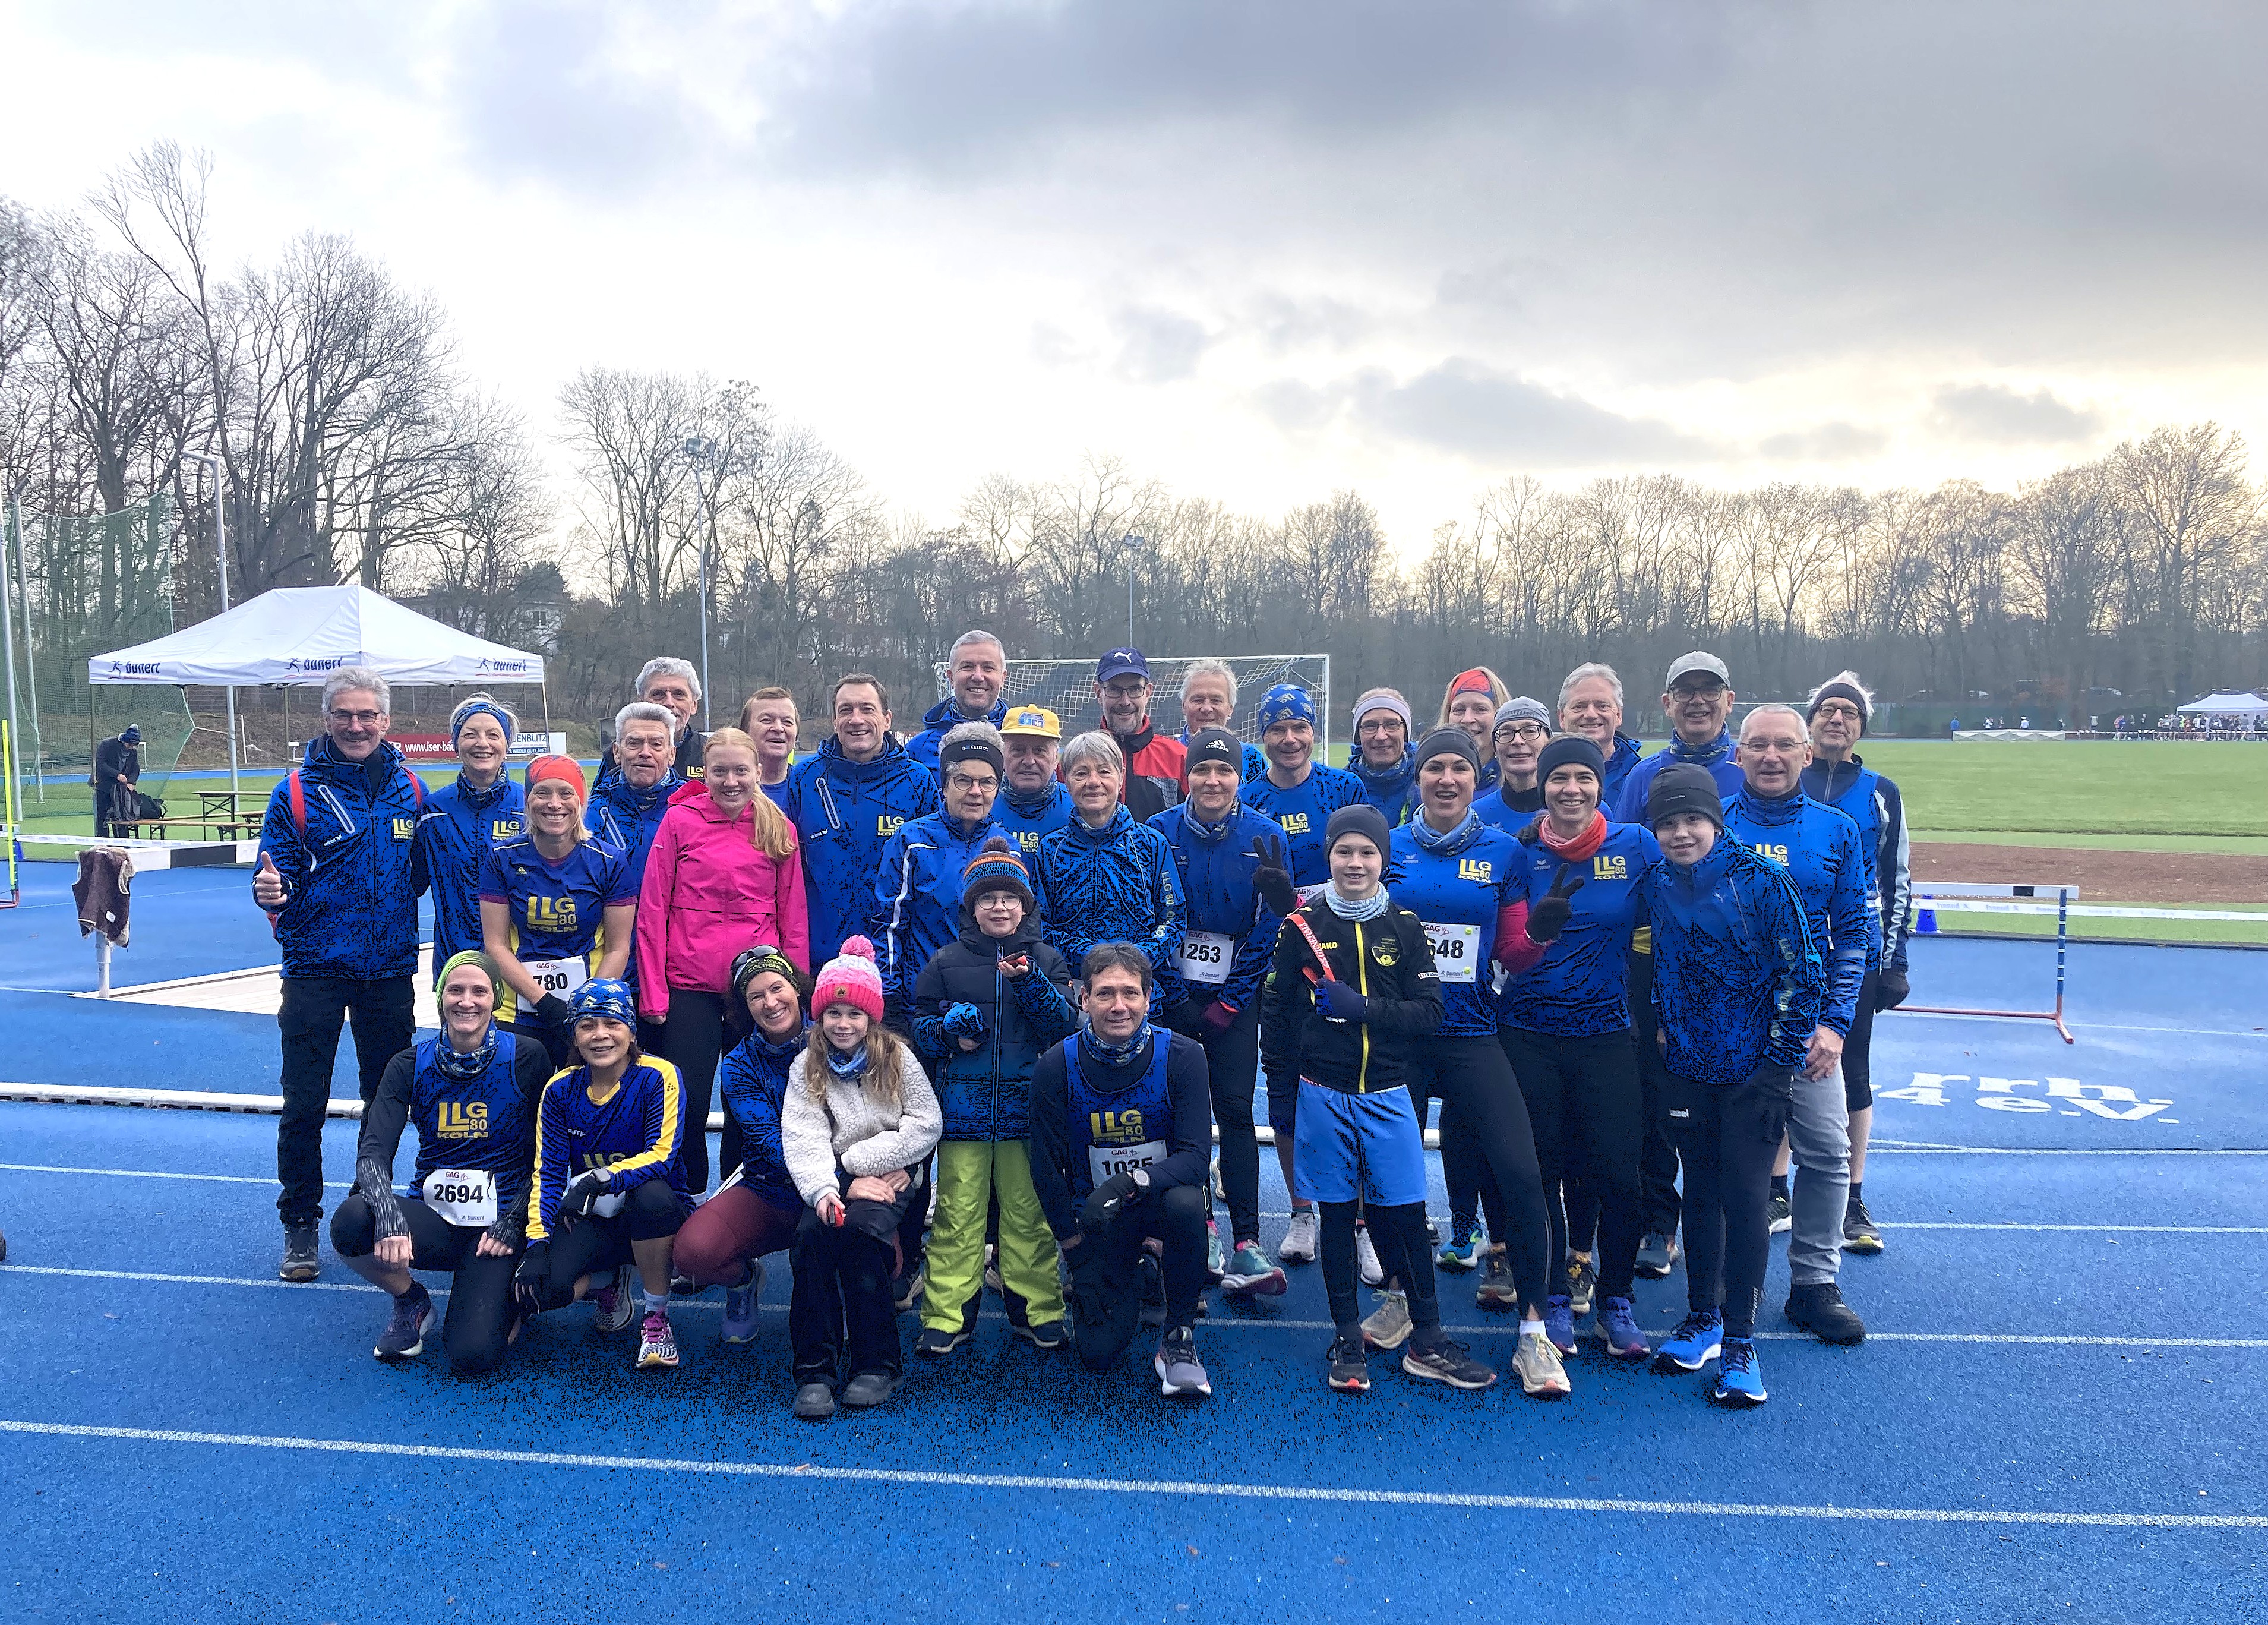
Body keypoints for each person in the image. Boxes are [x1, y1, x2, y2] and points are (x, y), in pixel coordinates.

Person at [1261, 803, 1496, 1394]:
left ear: (1382, 860)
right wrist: (1282, 1090)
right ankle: (1346, 1334)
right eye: (1344, 851)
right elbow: (1278, 1014)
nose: (1355, 862)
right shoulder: (1300, 925)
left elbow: (1430, 1012)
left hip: (1389, 1093)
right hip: (1322, 1093)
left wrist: (1362, 1008)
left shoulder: (1406, 926)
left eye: (1367, 852)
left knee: (1406, 1216)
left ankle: (1427, 1338)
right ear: (1329, 856)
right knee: (1338, 1216)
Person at [1382, 730, 1567, 1395]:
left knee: (1520, 1172)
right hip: (1401, 1037)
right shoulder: (1387, 847)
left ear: (1474, 776)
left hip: (1470, 1032)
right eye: (1433, 766)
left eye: (1459, 767)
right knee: (1393, 1176)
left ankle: (1533, 1331)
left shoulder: (1502, 851)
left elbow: (1512, 952)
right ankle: (1400, 1296)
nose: (1446, 778)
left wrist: (1539, 936)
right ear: (1417, 777)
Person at [1641, 765, 1824, 1406]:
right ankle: (1702, 1318)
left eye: (1692, 819)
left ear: (1715, 823)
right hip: (1688, 1068)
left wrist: (1777, 1070)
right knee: (1700, 1192)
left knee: (1746, 1197)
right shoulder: (1656, 883)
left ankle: (1742, 1340)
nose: (1680, 832)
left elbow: (1804, 976)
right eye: (1667, 822)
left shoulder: (1763, 881)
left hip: (1753, 1073)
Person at [253, 667, 426, 1282]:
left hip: (388, 970)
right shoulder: (295, 791)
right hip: (314, 969)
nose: (356, 725)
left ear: (385, 720)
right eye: (344, 715)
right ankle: (299, 1221)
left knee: (385, 1102)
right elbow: (273, 875)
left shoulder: (412, 788)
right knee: (305, 1103)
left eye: (367, 715)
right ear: (326, 719)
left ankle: (365, 1206)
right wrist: (269, 891)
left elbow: (421, 873)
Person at [1495, 735, 1664, 1359]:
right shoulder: (1518, 853)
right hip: (1529, 1033)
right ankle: (1555, 1296)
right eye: (1558, 778)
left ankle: (1615, 1297)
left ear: (1600, 785)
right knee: (1540, 1173)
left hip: (1606, 1034)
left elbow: (1672, 919)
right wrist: (1537, 934)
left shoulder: (1636, 845)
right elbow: (1509, 952)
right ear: (1542, 786)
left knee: (1617, 1173)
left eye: (1583, 778)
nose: (1571, 789)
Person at [1723, 704, 1871, 1346]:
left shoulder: (1837, 831)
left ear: (1806, 754)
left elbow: (1853, 935)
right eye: (1757, 744)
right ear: (1737, 754)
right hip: (1727, 1029)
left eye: (1784, 744)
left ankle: (1813, 1282)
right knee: (1727, 1157)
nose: (1770, 756)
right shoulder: (1712, 825)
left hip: (1807, 1029)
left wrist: (1834, 1025)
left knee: (1828, 1153)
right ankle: (1727, 1283)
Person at [331, 951, 552, 1372]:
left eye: (479, 991)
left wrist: (514, 1219)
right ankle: (411, 1299)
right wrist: (388, 1215)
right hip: (434, 1217)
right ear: (440, 997)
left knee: (473, 1355)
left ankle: (511, 1300)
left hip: (497, 1228)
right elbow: (374, 1151)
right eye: (455, 990)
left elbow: (550, 1152)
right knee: (352, 1220)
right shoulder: (408, 1064)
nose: (466, 1001)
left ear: (495, 998)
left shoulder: (527, 1056)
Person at [909, 838, 1080, 1353]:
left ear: (1025, 905)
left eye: (1009, 897)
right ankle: (946, 1316)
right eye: (988, 898)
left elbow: (1063, 1026)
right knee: (956, 1215)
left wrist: (1029, 983)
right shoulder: (945, 961)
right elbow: (919, 1030)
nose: (999, 906)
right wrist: (947, 1031)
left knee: (1028, 1215)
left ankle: (1040, 1310)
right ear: (972, 907)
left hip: (1026, 1114)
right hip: (962, 1115)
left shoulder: (1047, 959)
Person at [1028, 943, 1214, 1397]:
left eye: (1130, 993)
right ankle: (1142, 1271)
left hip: (1159, 1201)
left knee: (1188, 1201)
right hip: (1097, 1217)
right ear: (1083, 997)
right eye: (1105, 993)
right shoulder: (1056, 1065)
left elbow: (1195, 1158)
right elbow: (1046, 1167)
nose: (1119, 1006)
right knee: (1096, 1355)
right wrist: (1074, 1251)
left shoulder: (1184, 1056)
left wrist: (1130, 1181)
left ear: (1149, 998)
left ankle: (1179, 1336)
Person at [636, 727, 808, 1196]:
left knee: (745, 1104)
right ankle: (687, 1192)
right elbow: (653, 910)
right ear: (705, 773)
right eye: (720, 771)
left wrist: (794, 991)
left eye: (740, 771)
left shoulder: (778, 828)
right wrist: (653, 992)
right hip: (688, 986)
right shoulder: (679, 821)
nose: (731, 781)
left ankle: (742, 1194)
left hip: (754, 989)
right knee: (687, 1102)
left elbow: (792, 915)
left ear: (758, 772)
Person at [1150, 728, 1288, 1296]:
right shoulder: (1159, 830)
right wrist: (1173, 995)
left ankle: (1248, 1241)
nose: (1212, 781)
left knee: (1234, 1111)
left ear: (1239, 777)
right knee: (1179, 1114)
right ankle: (1201, 1229)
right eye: (1202, 770)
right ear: (1188, 776)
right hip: (1173, 997)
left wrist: (1232, 999)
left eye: (1223, 771)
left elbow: (1270, 924)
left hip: (1235, 999)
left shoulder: (1266, 835)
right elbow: (1152, 916)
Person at [782, 938, 943, 1419]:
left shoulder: (898, 1056)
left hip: (894, 1174)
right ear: (819, 1016)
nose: (843, 1023)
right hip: (837, 1177)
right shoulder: (806, 1065)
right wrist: (825, 1187)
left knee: (860, 1235)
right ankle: (815, 1369)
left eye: (855, 1013)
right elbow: (804, 1133)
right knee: (811, 1238)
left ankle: (877, 1363)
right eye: (833, 1013)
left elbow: (926, 1122)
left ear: (871, 1017)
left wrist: (861, 1160)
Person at [513, 978, 695, 1372]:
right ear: (574, 1036)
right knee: (545, 1288)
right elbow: (548, 1171)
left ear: (631, 1031)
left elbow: (662, 1156)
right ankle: (605, 1281)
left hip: (658, 1212)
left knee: (651, 1196)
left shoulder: (659, 1075)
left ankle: (656, 1317)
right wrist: (538, 1242)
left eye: (612, 1023)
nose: (600, 1035)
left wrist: (596, 1180)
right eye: (587, 1025)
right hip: (596, 1215)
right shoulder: (560, 1089)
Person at [1800, 671, 1912, 1255]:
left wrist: (1893, 960)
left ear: (1861, 727)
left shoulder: (1879, 791)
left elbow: (1895, 877)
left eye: (1848, 712)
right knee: (1780, 1063)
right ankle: (1776, 1188)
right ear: (1810, 721)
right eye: (1827, 710)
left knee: (1851, 1069)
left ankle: (1851, 1194)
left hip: (1853, 953)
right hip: (1784, 953)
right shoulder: (1784, 777)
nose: (1836, 718)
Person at [673, 946, 811, 1345]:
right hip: (770, 1189)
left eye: (777, 988)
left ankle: (840, 1293)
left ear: (796, 988)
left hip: (836, 1186)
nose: (770, 1002)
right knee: (694, 1254)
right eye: (756, 996)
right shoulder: (739, 1063)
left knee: (884, 1255)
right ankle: (743, 1281)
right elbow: (767, 1140)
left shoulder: (835, 1038)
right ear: (745, 1007)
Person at [479, 756, 636, 1068]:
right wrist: (544, 1001)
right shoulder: (502, 858)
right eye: (542, 793)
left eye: (566, 793)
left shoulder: (609, 861)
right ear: (527, 800)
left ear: (581, 801)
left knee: (582, 1095)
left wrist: (587, 1005)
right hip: (518, 1009)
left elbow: (618, 948)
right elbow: (495, 945)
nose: (554, 804)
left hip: (589, 1010)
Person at [782, 673, 940, 967]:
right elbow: (788, 871)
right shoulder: (805, 779)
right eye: (846, 710)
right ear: (835, 721)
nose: (856, 719)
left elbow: (931, 876)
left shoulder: (917, 781)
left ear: (887, 719)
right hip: (822, 956)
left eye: (867, 709)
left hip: (893, 958)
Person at [1031, 731, 1184, 1009]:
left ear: (1121, 777)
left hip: (1140, 990)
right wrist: (1091, 958)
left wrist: (1135, 959)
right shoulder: (1051, 849)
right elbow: (1040, 924)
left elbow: (1174, 917)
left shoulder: (1151, 844)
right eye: (1081, 774)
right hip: (1073, 992)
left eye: (1104, 771)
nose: (1093, 782)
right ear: (1066, 780)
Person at [874, 721, 1008, 1027]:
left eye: (987, 782)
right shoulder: (911, 841)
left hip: (988, 1008)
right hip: (923, 1007)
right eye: (963, 781)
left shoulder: (1006, 849)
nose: (975, 792)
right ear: (945, 785)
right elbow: (889, 925)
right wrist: (890, 996)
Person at [414, 695, 527, 977]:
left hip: (521, 964)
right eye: (470, 734)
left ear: (507, 745)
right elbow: (412, 882)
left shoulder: (529, 806)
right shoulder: (433, 810)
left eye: (493, 735)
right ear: (455, 744)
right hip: (455, 963)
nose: (482, 743)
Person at [1243, 683, 1366, 891]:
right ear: (1263, 736)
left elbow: (1366, 858)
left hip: (1335, 910)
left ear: (1313, 733)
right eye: (1277, 730)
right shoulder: (1246, 800)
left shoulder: (1346, 788)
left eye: (1300, 728)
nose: (1290, 739)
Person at [1612, 651, 1742, 823]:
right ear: (1668, 704)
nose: (1697, 700)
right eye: (1684, 691)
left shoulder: (1751, 769)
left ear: (1729, 702)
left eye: (1710, 690)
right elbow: (1624, 838)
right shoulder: (1643, 775)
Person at [1094, 646, 1187, 817]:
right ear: (1099, 693)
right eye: (1114, 690)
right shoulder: (1076, 761)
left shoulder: (1179, 759)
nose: (1125, 701)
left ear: (1148, 692)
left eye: (1135, 689)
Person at [907, 630, 1011, 777]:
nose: (978, 677)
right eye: (967, 667)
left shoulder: (1023, 746)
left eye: (988, 668)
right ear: (951, 677)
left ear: (1002, 678)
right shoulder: (918, 750)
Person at [595, 657, 708, 788]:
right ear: (641, 701)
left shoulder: (710, 752)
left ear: (694, 705)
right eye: (658, 694)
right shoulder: (618, 753)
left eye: (679, 694)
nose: (669, 703)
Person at [1556, 663, 1645, 813]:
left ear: (1618, 715)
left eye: (1602, 706)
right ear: (1562, 717)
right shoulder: (1541, 779)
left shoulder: (1643, 777)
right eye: (1579, 706)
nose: (1591, 714)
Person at [994, 705, 1076, 857]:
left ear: (1055, 758)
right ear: (1003, 756)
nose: (1029, 761)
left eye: (1039, 751)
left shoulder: (1076, 809)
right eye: (1018, 750)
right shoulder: (983, 805)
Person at [1178, 658, 1266, 782]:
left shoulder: (1251, 758)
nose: (1207, 708)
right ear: (1183, 706)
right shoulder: (1169, 756)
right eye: (1198, 700)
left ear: (1230, 708)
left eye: (1216, 701)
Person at [1473, 696, 1550, 834]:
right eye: (1506, 733)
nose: (1517, 741)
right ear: (1495, 748)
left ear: (1549, 742)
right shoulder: (1476, 817)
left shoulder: (1574, 810)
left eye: (1530, 731)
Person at [1344, 688, 1419, 825]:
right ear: (1358, 736)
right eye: (1370, 726)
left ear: (1405, 733)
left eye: (1392, 724)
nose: (1381, 736)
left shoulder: (1426, 783)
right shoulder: (1341, 788)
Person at [1436, 668, 1511, 791]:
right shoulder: (1427, 784)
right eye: (1459, 710)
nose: (1467, 719)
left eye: (1480, 709)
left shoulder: (1518, 784)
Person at [739, 686, 802, 806]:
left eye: (787, 722)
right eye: (766, 720)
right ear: (745, 732)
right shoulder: (728, 790)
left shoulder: (811, 789)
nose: (778, 728)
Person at [93, 723, 143, 835]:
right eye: (130, 744)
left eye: (134, 745)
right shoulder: (107, 745)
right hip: (103, 785)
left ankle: (123, 841)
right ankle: (103, 841)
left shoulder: (133, 752)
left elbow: (135, 768)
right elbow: (100, 764)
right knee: (102, 817)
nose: (131, 747)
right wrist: (117, 774)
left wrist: (131, 782)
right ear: (125, 740)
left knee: (121, 816)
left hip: (120, 790)